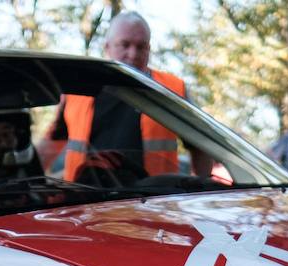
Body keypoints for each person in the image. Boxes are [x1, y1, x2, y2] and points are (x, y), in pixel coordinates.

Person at [44, 12, 211, 182]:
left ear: (149, 49)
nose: (133, 54)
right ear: (107, 47)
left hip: (152, 201)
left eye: (141, 46)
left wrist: (203, 190)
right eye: (125, 45)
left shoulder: (172, 89)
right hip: (85, 200)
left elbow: (202, 144)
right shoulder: (77, 90)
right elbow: (51, 144)